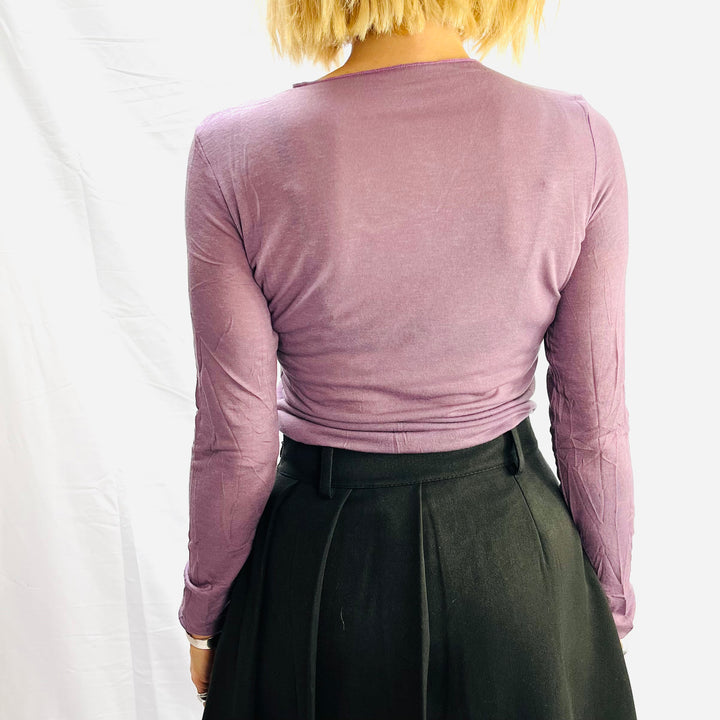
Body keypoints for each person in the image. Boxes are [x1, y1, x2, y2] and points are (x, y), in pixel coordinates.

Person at [179, 2, 638, 718]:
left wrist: (206, 610)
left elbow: (235, 439)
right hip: (515, 567)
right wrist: (604, 604)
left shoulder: (234, 151)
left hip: (319, 570)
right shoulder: (579, 139)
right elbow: (594, 419)